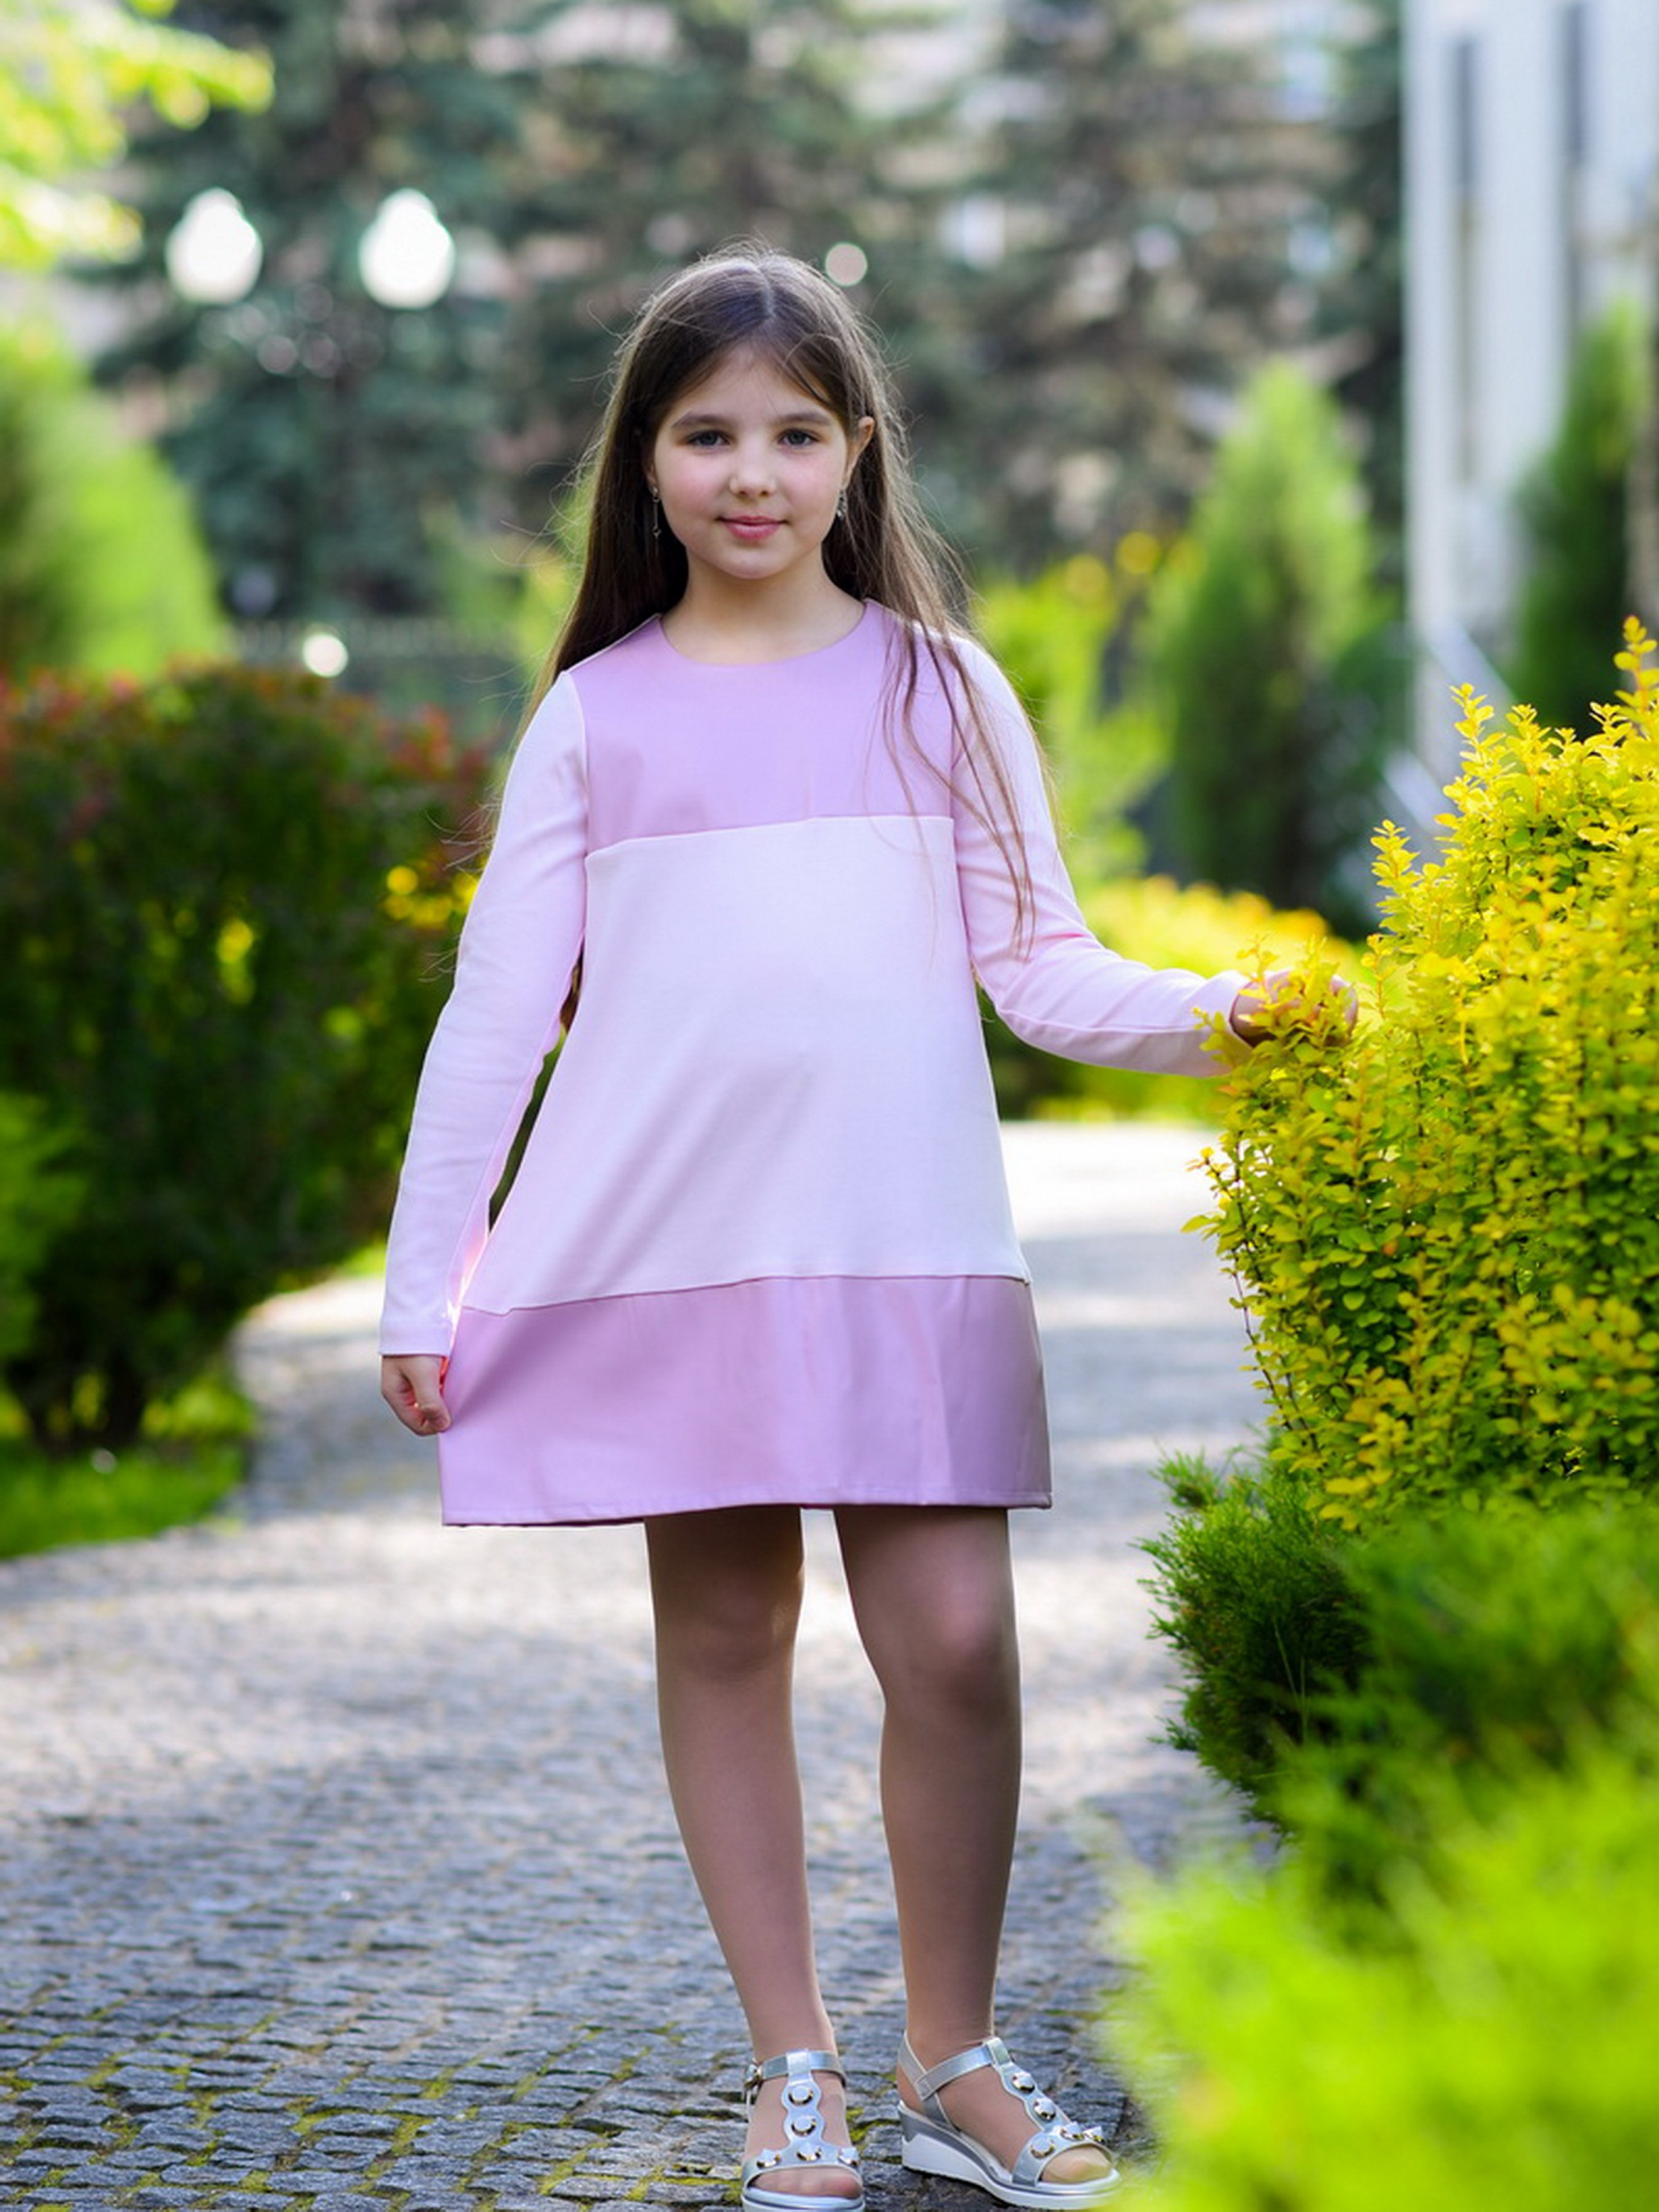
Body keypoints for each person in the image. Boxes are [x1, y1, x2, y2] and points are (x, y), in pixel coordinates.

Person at [379, 245, 1330, 2210]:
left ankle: (947, 2058)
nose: (752, 473)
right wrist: (424, 1279)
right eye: (705, 434)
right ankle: (791, 2066)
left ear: (858, 452)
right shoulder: (596, 719)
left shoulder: (938, 691)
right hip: (670, 1254)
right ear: (643, 466)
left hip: (909, 1241)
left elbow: (1041, 967)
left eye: (794, 433)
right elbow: (495, 1017)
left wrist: (1221, 1013)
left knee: (957, 1642)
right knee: (727, 1631)